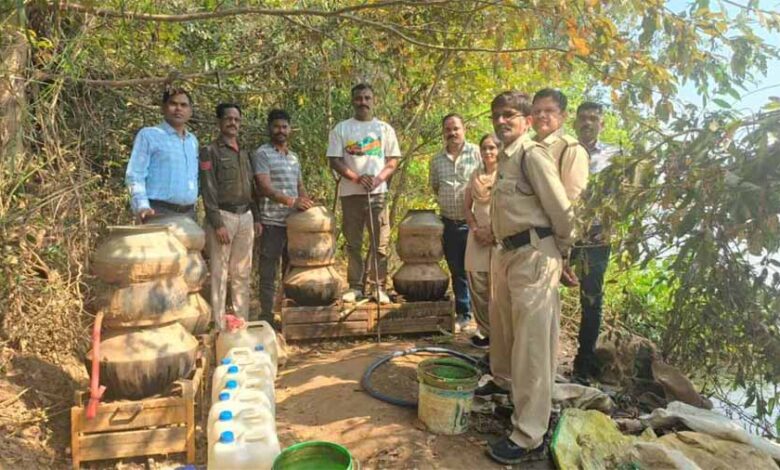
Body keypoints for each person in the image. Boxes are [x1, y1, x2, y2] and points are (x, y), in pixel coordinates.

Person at [477, 91, 577, 464]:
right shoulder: (504, 159)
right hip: (508, 254)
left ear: (526, 121)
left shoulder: (532, 155)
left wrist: (561, 253)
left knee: (533, 348)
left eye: (509, 116)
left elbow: (561, 210)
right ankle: (516, 406)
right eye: (496, 116)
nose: (501, 122)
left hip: (535, 254)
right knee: (508, 338)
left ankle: (529, 434)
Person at [327, 83, 401, 304]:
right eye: (359, 98)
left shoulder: (384, 129)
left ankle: (378, 286)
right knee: (354, 242)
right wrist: (356, 178)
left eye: (367, 98)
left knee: (380, 242)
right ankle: (356, 286)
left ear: (373, 100)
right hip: (350, 194)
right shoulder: (341, 129)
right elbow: (334, 160)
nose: (363, 102)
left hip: (377, 193)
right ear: (353, 101)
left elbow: (393, 160)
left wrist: (377, 179)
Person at [571, 101, 621, 381]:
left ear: (602, 124)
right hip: (564, 233)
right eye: (583, 118)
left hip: (597, 236)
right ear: (575, 122)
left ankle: (584, 360)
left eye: (593, 118)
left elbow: (623, 196)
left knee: (591, 298)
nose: (588, 122)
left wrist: (610, 227)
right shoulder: (566, 151)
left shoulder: (615, 155)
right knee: (545, 289)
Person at [200, 103, 262, 329]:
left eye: (236, 119)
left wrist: (256, 217)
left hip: (245, 216)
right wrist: (217, 224)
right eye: (228, 119)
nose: (233, 123)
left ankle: (240, 322)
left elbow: (251, 188)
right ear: (219, 122)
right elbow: (208, 190)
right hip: (223, 218)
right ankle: (218, 326)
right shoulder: (210, 151)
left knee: (242, 273)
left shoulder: (245, 153)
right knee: (219, 273)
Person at [253, 109, 314, 326]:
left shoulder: (294, 158)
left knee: (294, 269)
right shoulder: (262, 154)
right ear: (270, 128)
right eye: (277, 126)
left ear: (290, 130)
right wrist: (292, 202)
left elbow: (299, 186)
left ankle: (290, 313)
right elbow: (265, 187)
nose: (281, 130)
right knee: (269, 271)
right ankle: (267, 315)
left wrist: (307, 206)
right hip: (271, 222)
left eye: (284, 126)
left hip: (294, 225)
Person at [429, 114, 481, 331]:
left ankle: (483, 318)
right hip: (449, 223)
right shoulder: (437, 160)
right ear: (443, 132)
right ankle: (463, 313)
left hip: (476, 223)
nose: (452, 133)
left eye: (456, 128)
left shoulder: (478, 153)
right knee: (457, 270)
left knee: (478, 271)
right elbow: (435, 187)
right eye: (448, 129)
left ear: (464, 129)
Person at [126, 88, 199, 222]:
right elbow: (135, 174)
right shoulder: (149, 135)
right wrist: (142, 206)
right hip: (158, 212)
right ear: (163, 108)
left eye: (183, 105)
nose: (178, 109)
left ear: (190, 111)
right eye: (173, 104)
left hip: (189, 214)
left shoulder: (192, 141)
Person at [463, 133, 499, 348]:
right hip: (477, 236)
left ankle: (500, 335)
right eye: (485, 148)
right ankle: (485, 332)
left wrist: (493, 232)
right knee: (477, 283)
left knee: (497, 286)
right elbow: (467, 207)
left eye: (492, 148)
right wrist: (476, 229)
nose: (488, 152)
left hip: (499, 237)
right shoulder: (474, 174)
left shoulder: (505, 174)